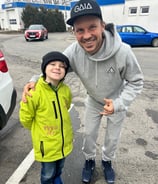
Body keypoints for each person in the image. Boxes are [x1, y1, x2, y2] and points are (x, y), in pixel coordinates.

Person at [22, 0, 144, 183]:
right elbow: (54, 68)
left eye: (92, 27)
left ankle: (107, 161)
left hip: (116, 101)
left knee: (112, 138)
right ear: (74, 32)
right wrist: (33, 81)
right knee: (89, 135)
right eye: (80, 30)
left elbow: (136, 81)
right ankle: (89, 161)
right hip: (94, 101)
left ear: (103, 26)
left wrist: (119, 104)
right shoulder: (73, 52)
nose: (86, 35)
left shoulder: (123, 52)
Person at [19, 51, 73, 184]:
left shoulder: (65, 90)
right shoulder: (35, 92)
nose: (57, 68)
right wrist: (39, 130)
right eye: (53, 64)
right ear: (44, 68)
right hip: (46, 145)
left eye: (62, 66)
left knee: (59, 167)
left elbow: (66, 105)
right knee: (47, 173)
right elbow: (25, 118)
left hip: (63, 142)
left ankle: (57, 178)